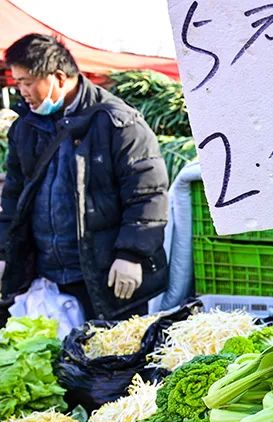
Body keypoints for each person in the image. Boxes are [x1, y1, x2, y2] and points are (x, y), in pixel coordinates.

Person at [0, 34, 168, 320]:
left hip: (103, 277)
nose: (22, 91)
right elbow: (14, 197)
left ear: (58, 77)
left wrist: (131, 254)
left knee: (108, 358)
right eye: (18, 83)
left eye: (26, 82)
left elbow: (148, 191)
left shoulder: (118, 123)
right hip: (48, 276)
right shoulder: (26, 128)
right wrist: (4, 252)